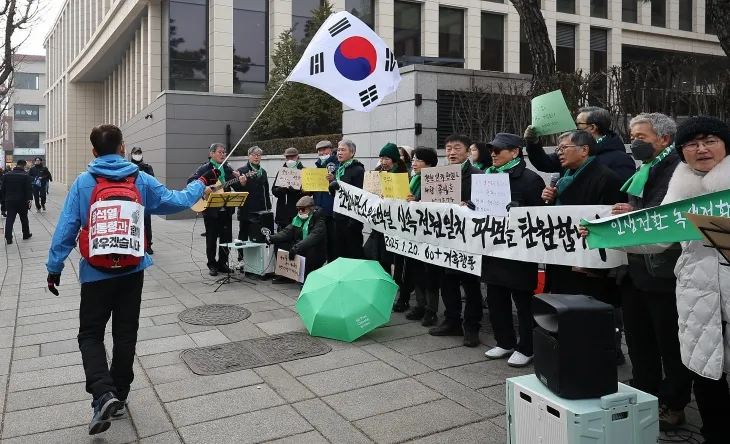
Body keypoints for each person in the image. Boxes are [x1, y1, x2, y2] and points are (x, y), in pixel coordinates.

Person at [45, 124, 217, 435]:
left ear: (94, 151)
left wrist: (54, 267)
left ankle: (103, 392)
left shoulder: (84, 183)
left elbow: (66, 228)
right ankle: (119, 395)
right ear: (123, 148)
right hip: (132, 270)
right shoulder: (140, 179)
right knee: (125, 334)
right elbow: (175, 200)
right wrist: (200, 183)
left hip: (96, 273)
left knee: (91, 334)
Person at [583, 116, 730, 444]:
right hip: (697, 299)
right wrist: (605, 235)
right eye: (692, 144)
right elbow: (656, 239)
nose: (701, 149)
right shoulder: (681, 186)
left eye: (710, 141)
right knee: (707, 377)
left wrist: (710, 225)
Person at [610, 113, 691, 430]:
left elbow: (666, 215)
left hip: (663, 271)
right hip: (635, 270)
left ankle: (674, 403)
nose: (635, 142)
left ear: (665, 139)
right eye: (632, 135)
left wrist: (634, 212)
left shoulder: (677, 170)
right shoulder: (642, 169)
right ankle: (645, 389)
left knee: (669, 343)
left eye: (641, 136)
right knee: (639, 337)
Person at [542, 130, 627, 364]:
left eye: (563, 148)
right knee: (566, 308)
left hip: (589, 264)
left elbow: (610, 222)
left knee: (591, 311)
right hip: (563, 257)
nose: (559, 153)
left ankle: (602, 356)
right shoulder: (564, 177)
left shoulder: (606, 178)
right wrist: (548, 198)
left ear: (584, 149)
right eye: (558, 148)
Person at [481, 134, 545, 367]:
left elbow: (538, 217)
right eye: (492, 150)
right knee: (496, 298)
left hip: (519, 252)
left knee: (523, 301)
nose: (494, 154)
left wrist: (516, 211)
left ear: (516, 152)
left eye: (499, 150)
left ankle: (527, 347)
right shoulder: (487, 177)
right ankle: (504, 342)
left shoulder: (530, 180)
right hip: (492, 247)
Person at [428, 134, 485, 347]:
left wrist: (469, 205)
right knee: (447, 281)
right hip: (444, 237)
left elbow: (487, 208)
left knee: (470, 285)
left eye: (457, 148)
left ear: (468, 151)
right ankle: (452, 320)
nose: (451, 152)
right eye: (448, 148)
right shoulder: (437, 176)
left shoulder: (479, 176)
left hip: (468, 240)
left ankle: (471, 327)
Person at [525, 106, 636, 183]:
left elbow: (620, 195)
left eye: (578, 125)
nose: (575, 129)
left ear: (592, 127)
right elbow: (544, 163)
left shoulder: (620, 159)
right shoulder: (570, 151)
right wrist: (533, 142)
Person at [188, 143, 247, 276]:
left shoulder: (227, 168)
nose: (222, 154)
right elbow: (191, 181)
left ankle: (223, 263)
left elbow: (236, 186)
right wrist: (203, 188)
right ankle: (212, 264)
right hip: (210, 209)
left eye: (224, 152)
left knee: (226, 238)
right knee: (212, 238)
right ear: (212, 154)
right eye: (220, 152)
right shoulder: (205, 168)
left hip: (226, 209)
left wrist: (241, 182)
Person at [364, 143, 411, 311]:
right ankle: (385, 291)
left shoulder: (403, 175)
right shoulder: (376, 174)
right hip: (379, 225)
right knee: (380, 259)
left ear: (394, 160)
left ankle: (402, 297)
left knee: (398, 264)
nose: (383, 161)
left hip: (396, 226)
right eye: (381, 158)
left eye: (386, 158)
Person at [404, 147, 442, 326]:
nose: (414, 163)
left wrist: (417, 203)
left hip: (430, 235)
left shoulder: (436, 181)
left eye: (418, 160)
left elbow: (437, 206)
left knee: (430, 274)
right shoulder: (413, 179)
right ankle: (420, 305)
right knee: (415, 271)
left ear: (430, 163)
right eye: (413, 160)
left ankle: (431, 310)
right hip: (412, 232)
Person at [268, 196, 327, 279]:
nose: (300, 212)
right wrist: (271, 238)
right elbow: (286, 232)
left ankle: (308, 277)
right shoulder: (297, 219)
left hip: (316, 252)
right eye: (298, 209)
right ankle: (286, 274)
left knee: (310, 249)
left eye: (302, 209)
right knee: (280, 243)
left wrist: (296, 248)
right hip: (300, 247)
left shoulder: (319, 222)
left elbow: (311, 238)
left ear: (310, 209)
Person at [328, 140, 365, 259]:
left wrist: (353, 221)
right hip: (338, 216)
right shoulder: (339, 170)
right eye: (338, 150)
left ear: (352, 153)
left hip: (351, 220)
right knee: (339, 251)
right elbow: (337, 195)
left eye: (343, 150)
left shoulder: (358, 170)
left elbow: (358, 196)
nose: (339, 152)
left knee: (353, 252)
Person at [236, 146, 272, 248]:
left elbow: (266, 190)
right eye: (253, 155)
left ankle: (257, 258)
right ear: (248, 156)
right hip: (246, 208)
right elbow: (236, 190)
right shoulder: (241, 171)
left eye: (258, 155)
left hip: (260, 208)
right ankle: (241, 257)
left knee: (258, 233)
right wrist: (242, 184)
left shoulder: (263, 172)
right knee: (243, 233)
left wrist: (268, 207)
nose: (256, 157)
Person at [313, 140, 338, 262]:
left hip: (332, 209)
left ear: (331, 149)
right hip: (319, 208)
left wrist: (334, 178)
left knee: (333, 240)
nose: (322, 152)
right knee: (321, 240)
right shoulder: (318, 166)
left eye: (325, 149)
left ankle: (332, 263)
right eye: (319, 151)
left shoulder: (337, 165)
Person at [272, 147, 304, 234]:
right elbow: (274, 190)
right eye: (288, 157)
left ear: (297, 157)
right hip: (283, 211)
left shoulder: (304, 171)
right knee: (282, 236)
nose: (290, 160)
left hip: (298, 210)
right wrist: (281, 190)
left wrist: (297, 190)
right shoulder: (281, 171)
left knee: (297, 235)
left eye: (292, 157)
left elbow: (308, 193)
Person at [130, 147, 155, 254]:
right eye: (135, 153)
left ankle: (148, 244)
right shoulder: (128, 168)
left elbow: (152, 182)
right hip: (132, 200)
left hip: (145, 200)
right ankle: (134, 242)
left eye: (139, 153)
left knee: (147, 223)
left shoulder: (147, 167)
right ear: (131, 154)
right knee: (134, 223)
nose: (137, 155)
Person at [1, 159, 33, 244]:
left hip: (10, 200)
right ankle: (26, 234)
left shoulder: (6, 175)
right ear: (24, 165)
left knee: (10, 218)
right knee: (24, 218)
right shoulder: (26, 175)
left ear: (17, 165)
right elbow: (29, 189)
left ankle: (8, 238)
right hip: (22, 201)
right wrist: (29, 200)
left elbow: (3, 189)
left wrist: (3, 200)